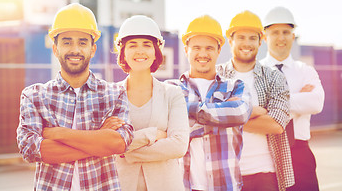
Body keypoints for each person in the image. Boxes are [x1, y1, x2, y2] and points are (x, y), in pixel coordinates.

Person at [16, 3, 134, 190]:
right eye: (67, 42)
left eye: (82, 42)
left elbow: (118, 144)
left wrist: (58, 133)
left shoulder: (114, 94)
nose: (75, 50)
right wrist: (98, 139)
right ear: (55, 49)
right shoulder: (34, 96)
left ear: (92, 49)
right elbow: (32, 150)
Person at [168, 15, 252, 191]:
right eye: (196, 47)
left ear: (219, 50)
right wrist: (221, 120)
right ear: (186, 49)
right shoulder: (171, 88)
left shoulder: (235, 86)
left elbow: (240, 113)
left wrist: (188, 116)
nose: (203, 54)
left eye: (209, 48)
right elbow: (167, 131)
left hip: (226, 186)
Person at [217, 10, 294, 191]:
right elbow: (206, 116)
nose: (246, 43)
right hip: (223, 173)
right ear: (230, 41)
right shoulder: (216, 76)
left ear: (260, 41)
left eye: (252, 38)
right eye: (241, 37)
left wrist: (226, 115)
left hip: (264, 173)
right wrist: (256, 111)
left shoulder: (275, 77)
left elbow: (276, 124)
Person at [113, 15, 189, 191]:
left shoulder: (172, 94)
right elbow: (107, 144)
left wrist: (126, 152)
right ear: (123, 51)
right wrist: (153, 134)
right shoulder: (110, 96)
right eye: (133, 45)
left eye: (147, 45)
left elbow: (178, 145)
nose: (140, 51)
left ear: (156, 51)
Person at [260, 6, 325, 191]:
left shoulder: (305, 71)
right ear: (265, 37)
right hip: (265, 154)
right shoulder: (256, 72)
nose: (281, 38)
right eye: (275, 32)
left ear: (293, 36)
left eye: (286, 32)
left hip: (300, 155)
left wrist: (271, 104)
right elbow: (252, 107)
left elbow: (316, 103)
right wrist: (298, 100)